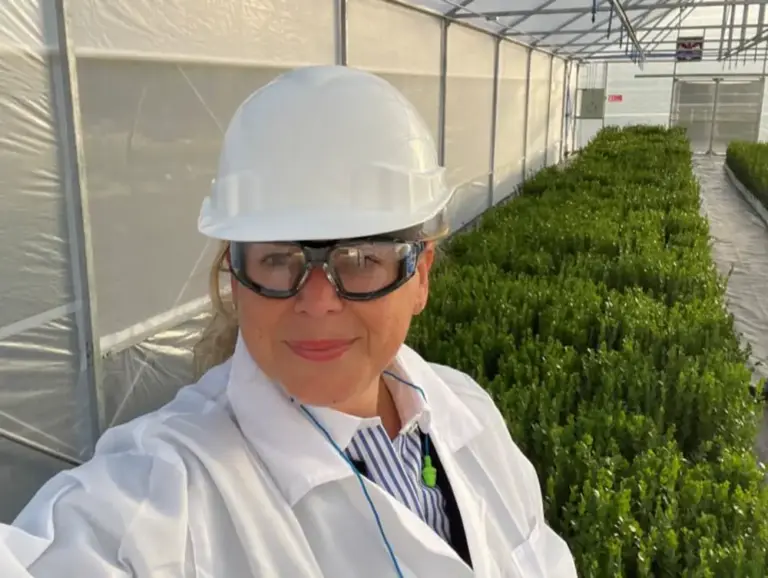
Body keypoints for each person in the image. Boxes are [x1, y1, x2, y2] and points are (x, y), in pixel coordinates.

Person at [0, 65, 577, 577]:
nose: (319, 301)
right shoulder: (163, 491)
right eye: (279, 259)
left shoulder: (467, 410)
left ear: (420, 275)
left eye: (361, 258)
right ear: (235, 273)